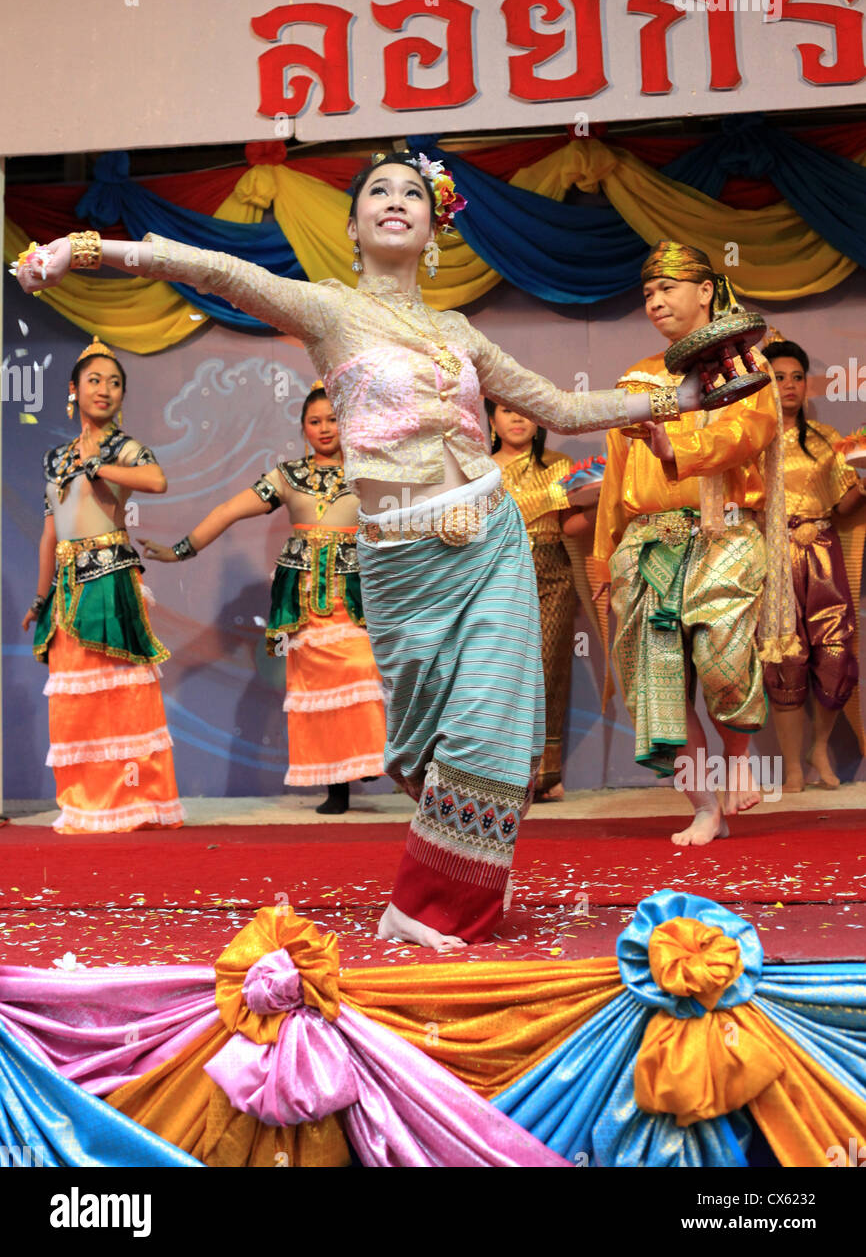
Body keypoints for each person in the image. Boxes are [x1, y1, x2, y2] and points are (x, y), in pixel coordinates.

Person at [16, 167, 706, 946]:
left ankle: (428, 906)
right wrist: (84, 249)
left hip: (490, 540)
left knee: (490, 734)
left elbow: (566, 408)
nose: (395, 202)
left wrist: (675, 399)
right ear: (351, 228)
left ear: (434, 228)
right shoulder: (329, 309)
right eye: (377, 192)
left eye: (412, 194)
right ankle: (457, 868)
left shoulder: (459, 333)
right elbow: (210, 268)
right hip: (402, 564)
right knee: (423, 749)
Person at [592, 240, 797, 847]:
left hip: (724, 534)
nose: (654, 301)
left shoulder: (745, 368)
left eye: (667, 289)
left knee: (723, 665)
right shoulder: (638, 379)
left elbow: (747, 433)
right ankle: (705, 806)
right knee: (658, 689)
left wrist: (676, 448)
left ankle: (739, 759)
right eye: (648, 293)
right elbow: (612, 479)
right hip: (648, 545)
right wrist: (604, 558)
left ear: (706, 291)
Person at [139, 384, 386, 815]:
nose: (325, 428)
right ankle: (336, 786)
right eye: (315, 421)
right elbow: (228, 510)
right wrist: (181, 549)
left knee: (361, 668)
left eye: (333, 419)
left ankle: (366, 757)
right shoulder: (287, 476)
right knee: (314, 688)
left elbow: (403, 525)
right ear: (303, 428)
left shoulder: (370, 474)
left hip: (353, 594)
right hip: (304, 598)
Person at [21, 337, 184, 834]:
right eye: (95, 380)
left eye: (115, 383)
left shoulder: (125, 448)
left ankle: (133, 802)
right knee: (76, 701)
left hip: (111, 579)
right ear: (73, 389)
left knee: (121, 694)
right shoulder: (54, 458)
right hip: (68, 587)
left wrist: (99, 467)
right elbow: (52, 532)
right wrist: (40, 595)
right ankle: (87, 803)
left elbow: (157, 481)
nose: (105, 390)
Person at [763, 339, 866, 791]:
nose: (789, 385)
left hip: (822, 551)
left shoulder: (827, 442)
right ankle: (790, 767)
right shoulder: (750, 440)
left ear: (807, 385)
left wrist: (863, 486)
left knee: (837, 652)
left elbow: (843, 507)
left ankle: (819, 747)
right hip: (771, 556)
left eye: (797, 377)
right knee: (785, 658)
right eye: (778, 377)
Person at [485, 400, 592, 802]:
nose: (517, 418)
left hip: (552, 573)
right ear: (492, 420)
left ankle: (545, 775)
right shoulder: (479, 471)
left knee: (547, 671)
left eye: (525, 411)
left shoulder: (561, 467)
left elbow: (571, 526)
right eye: (506, 411)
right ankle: (503, 775)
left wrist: (599, 505)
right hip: (497, 575)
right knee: (502, 676)